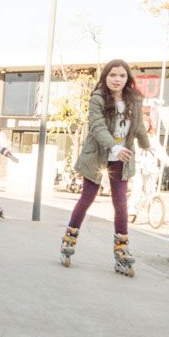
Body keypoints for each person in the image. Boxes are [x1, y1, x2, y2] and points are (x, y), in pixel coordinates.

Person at [59, 60, 151, 275]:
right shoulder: (97, 98)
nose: (117, 79)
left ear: (127, 78)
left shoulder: (135, 99)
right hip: (98, 156)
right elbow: (97, 127)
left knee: (121, 203)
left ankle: (121, 249)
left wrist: (147, 146)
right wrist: (114, 147)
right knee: (87, 198)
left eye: (122, 75)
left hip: (121, 159)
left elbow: (138, 125)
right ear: (105, 77)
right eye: (112, 75)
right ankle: (69, 239)